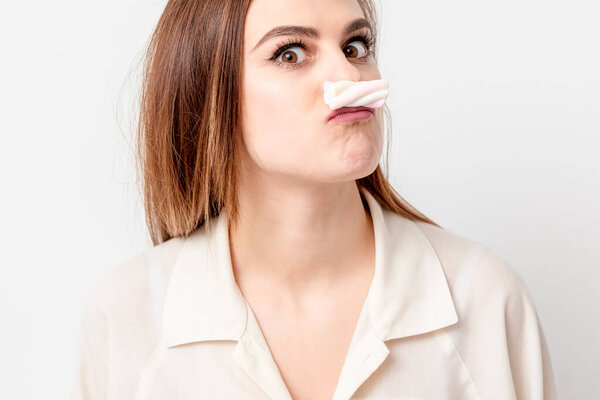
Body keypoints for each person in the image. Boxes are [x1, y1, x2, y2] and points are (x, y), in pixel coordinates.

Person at [71, 0, 557, 399]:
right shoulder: (127, 316)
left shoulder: (486, 300)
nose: (349, 75)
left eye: (355, 44)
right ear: (207, 92)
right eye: (290, 53)